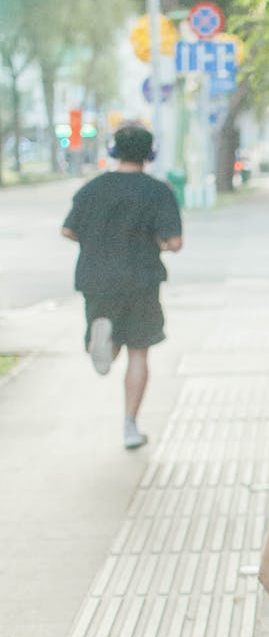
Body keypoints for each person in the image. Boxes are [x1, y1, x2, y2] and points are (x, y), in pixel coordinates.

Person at [61, 122, 183, 450]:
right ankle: (130, 425)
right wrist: (158, 241)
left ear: (113, 151)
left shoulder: (93, 189)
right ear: (149, 154)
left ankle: (103, 343)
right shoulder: (158, 191)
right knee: (139, 351)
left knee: (107, 332)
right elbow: (174, 241)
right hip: (141, 279)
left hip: (97, 278)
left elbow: (69, 231)